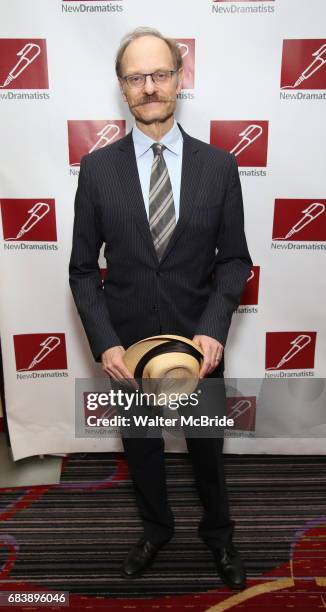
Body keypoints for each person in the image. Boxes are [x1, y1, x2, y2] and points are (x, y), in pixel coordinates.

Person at [69, 26, 252, 589]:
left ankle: (219, 537)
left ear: (180, 78)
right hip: (128, 349)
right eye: (135, 77)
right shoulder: (98, 170)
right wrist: (105, 341)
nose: (149, 87)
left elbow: (234, 261)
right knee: (143, 453)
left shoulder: (219, 166)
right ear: (122, 87)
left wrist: (215, 328)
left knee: (207, 457)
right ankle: (156, 529)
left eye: (160, 74)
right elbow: (81, 269)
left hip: (198, 346)